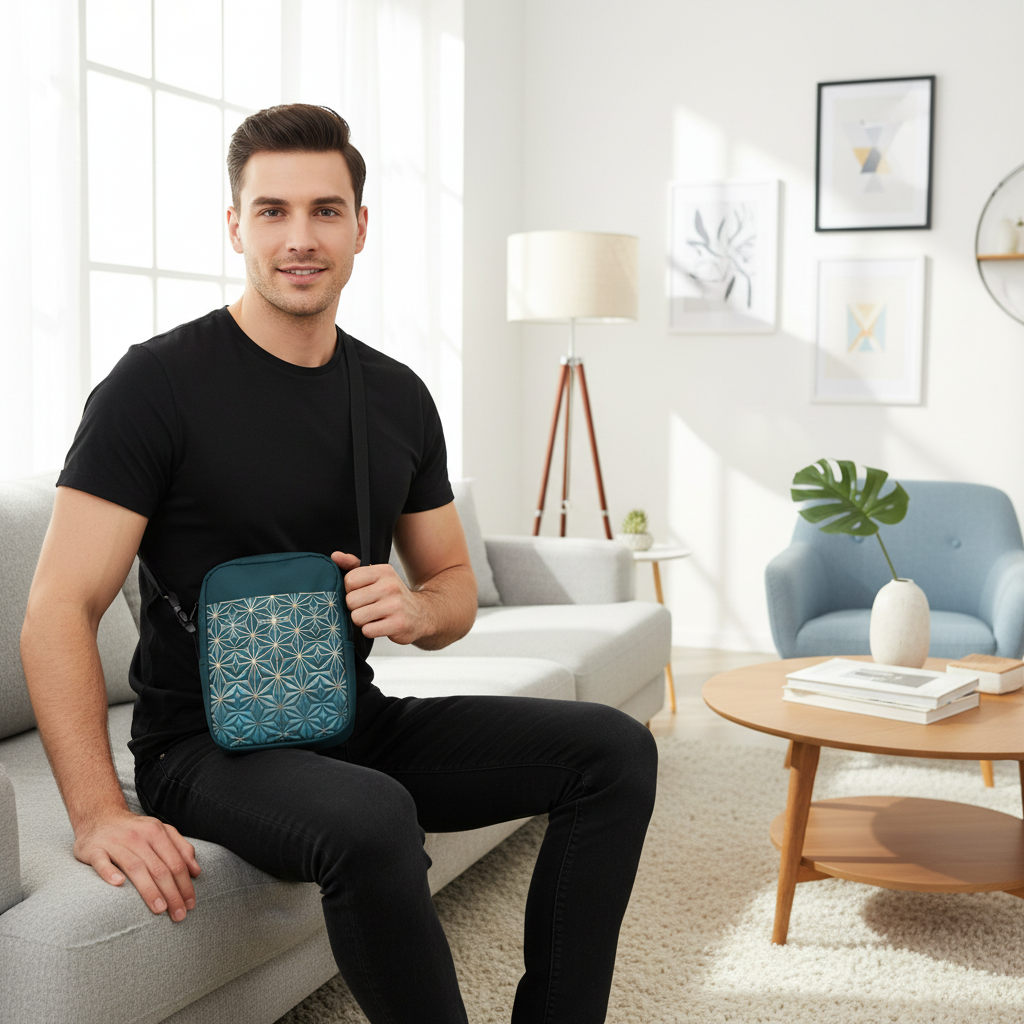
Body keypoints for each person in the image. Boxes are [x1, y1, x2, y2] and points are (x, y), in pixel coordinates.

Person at [20, 103, 658, 1024]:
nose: (300, 237)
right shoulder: (152, 388)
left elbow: (452, 588)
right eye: (272, 211)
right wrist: (97, 813)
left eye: (325, 210)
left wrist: (415, 610)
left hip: (350, 718)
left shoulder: (396, 395)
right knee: (369, 817)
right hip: (206, 748)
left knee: (613, 750)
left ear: (362, 228)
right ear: (235, 226)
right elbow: (56, 609)